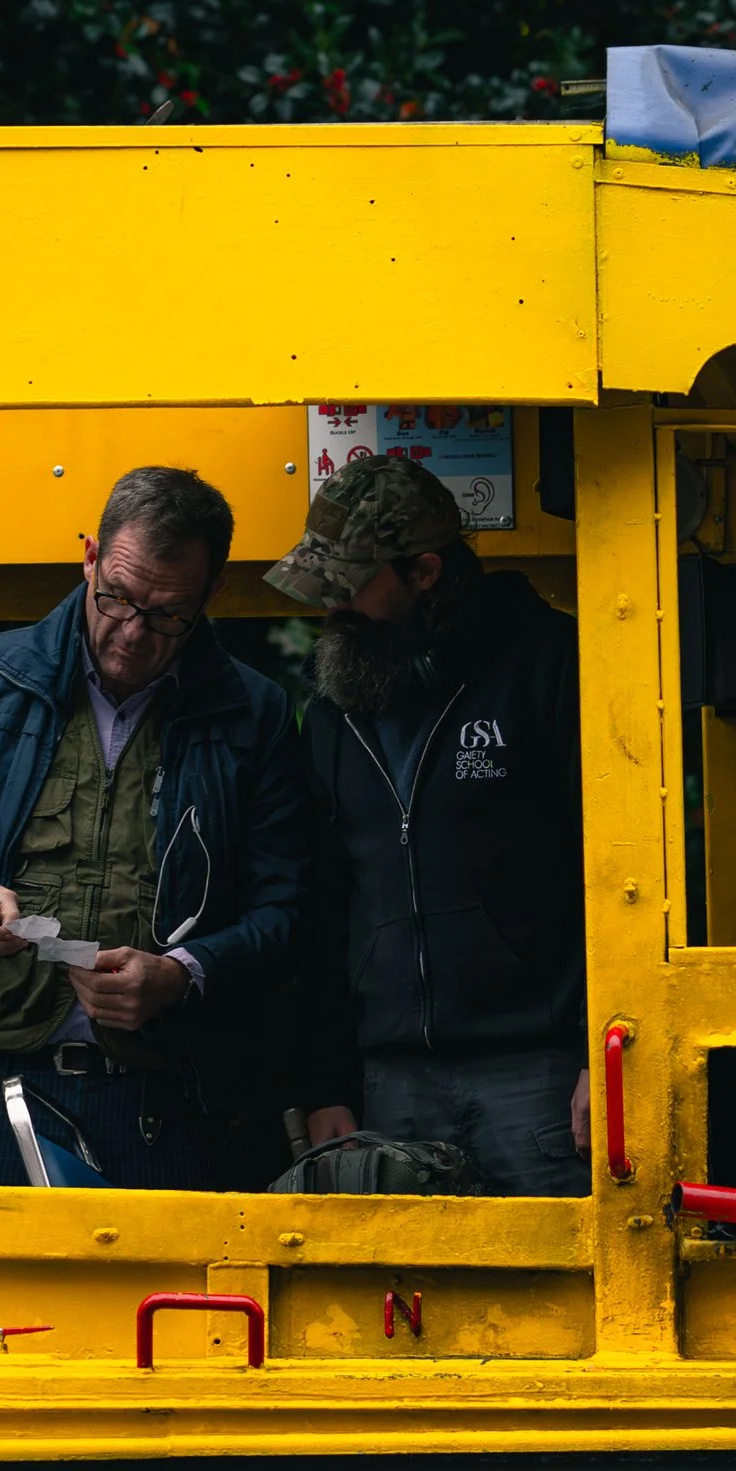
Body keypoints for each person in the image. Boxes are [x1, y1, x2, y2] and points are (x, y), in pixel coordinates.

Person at [0, 465, 304, 1187]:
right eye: (118, 598)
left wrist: (183, 975)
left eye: (166, 614)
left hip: (167, 1105)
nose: (132, 632)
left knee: (156, 1306)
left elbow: (289, 913)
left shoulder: (252, 715)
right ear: (89, 557)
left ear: (211, 597)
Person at [269, 456, 589, 1194]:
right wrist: (326, 1082)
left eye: (352, 582)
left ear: (425, 572)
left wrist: (595, 1054)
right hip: (389, 1082)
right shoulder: (332, 716)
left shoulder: (549, 665)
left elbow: (611, 866)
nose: (331, 604)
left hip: (537, 1072)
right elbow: (325, 906)